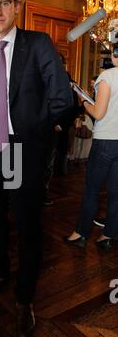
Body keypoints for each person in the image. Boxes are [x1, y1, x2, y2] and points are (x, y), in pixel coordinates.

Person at [0, 0, 72, 337]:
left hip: (25, 150)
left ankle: (24, 297)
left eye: (4, 3)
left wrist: (34, 135)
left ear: (16, 6)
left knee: (29, 226)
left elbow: (63, 100)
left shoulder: (39, 44)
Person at [65, 44, 118, 250]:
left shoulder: (107, 77)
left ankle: (80, 233)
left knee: (92, 190)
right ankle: (108, 235)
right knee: (116, 193)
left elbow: (98, 114)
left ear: (114, 55)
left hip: (105, 141)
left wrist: (84, 101)